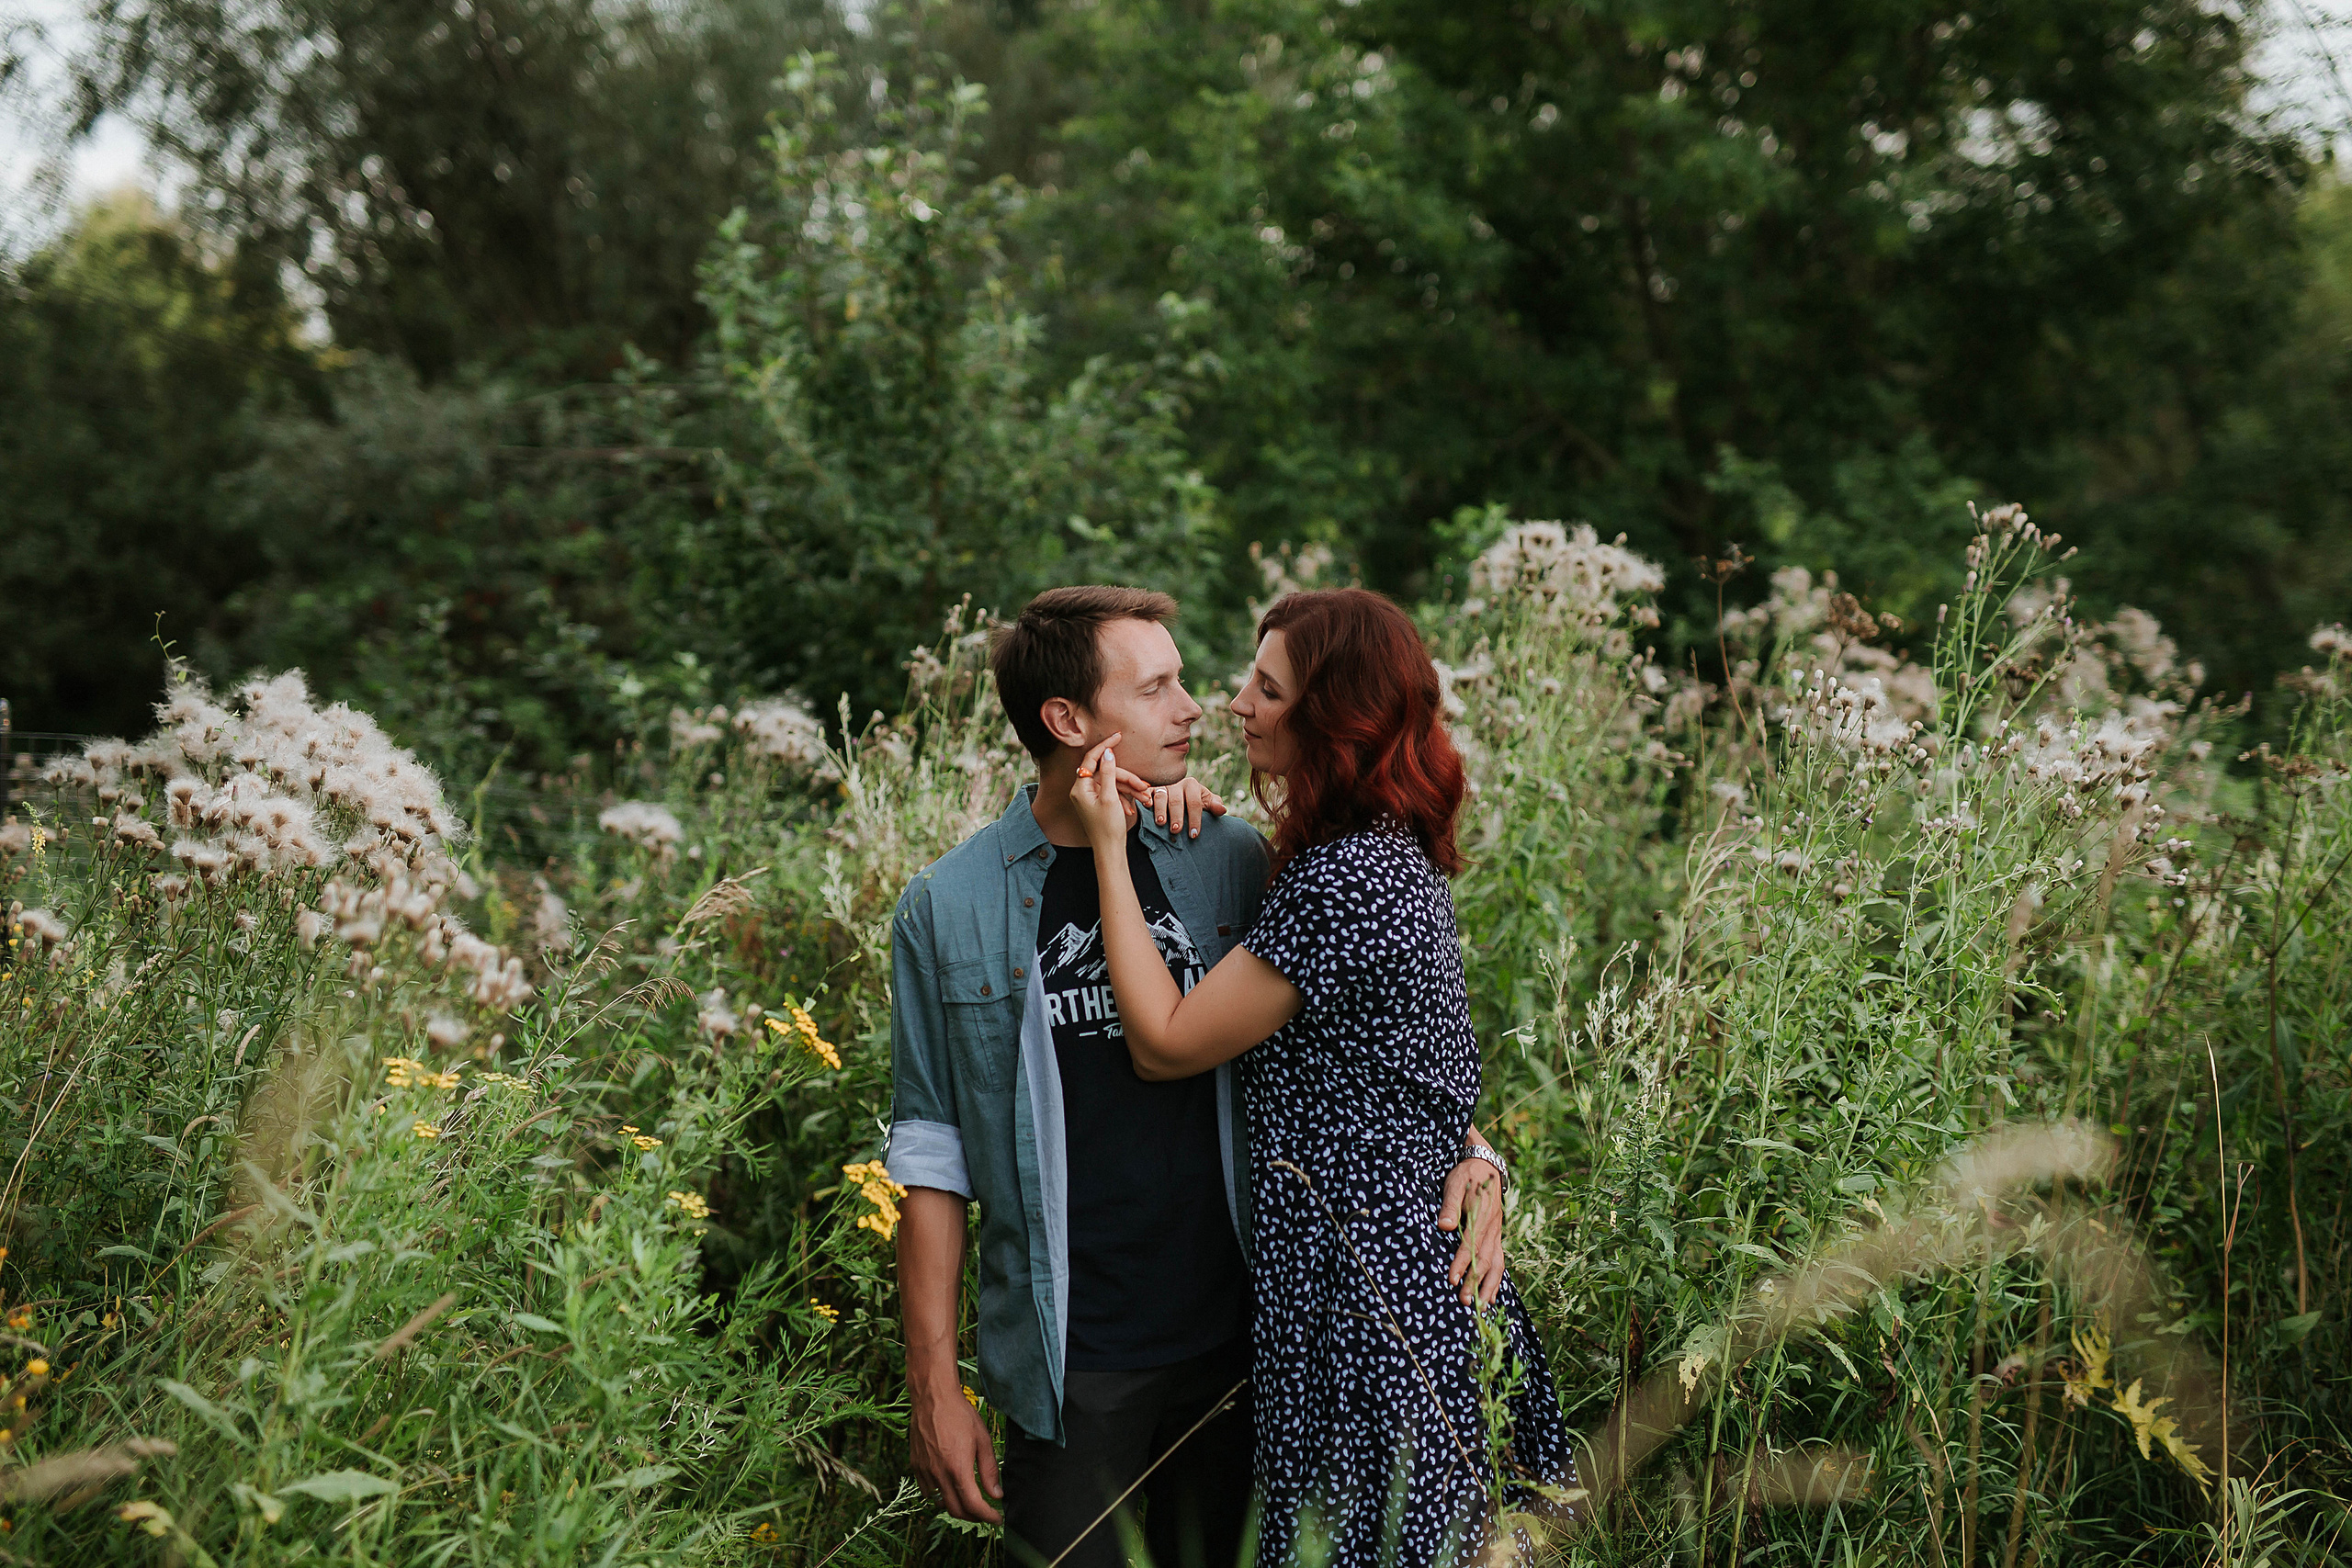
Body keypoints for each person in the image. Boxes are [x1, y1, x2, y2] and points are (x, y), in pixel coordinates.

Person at [887, 585, 1515, 1568]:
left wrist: (1473, 1153)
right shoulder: (948, 906)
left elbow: (1367, 1038)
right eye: (1158, 688)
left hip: (1256, 1349)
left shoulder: (1226, 858)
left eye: (1192, 680)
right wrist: (936, 1386)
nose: (1198, 708)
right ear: (1067, 721)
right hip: (1072, 1364)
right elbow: (932, 1153)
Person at [1069, 587, 1577, 1568]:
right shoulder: (1365, 860)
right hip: (1379, 1275)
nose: (1236, 706)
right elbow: (1402, 1073)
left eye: (1266, 689)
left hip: (1368, 1292)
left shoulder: (1347, 878)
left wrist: (1107, 849)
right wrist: (1482, 1158)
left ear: (1331, 715)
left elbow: (1165, 1044)